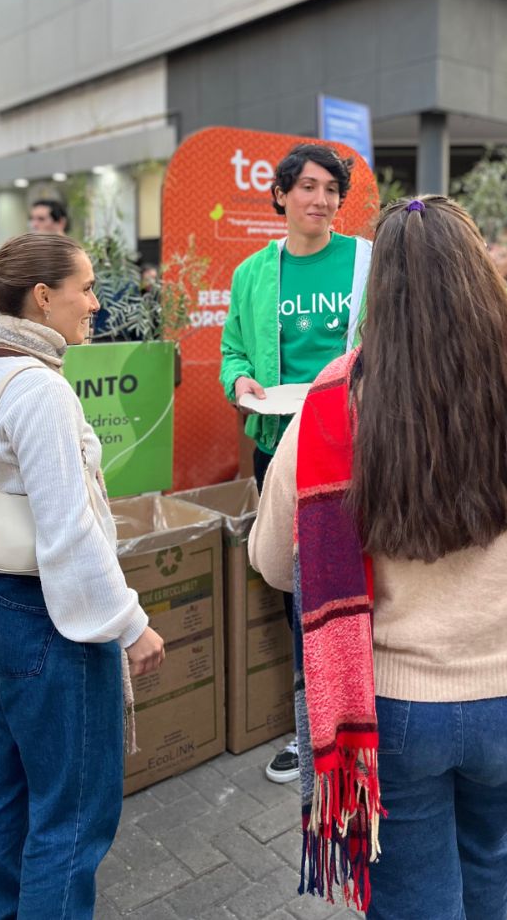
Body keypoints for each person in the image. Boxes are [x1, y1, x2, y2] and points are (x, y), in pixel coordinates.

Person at [249, 196, 507, 918]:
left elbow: (272, 562)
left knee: (415, 897)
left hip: (391, 712)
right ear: (483, 278)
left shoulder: (327, 409)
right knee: (488, 852)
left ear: (377, 290)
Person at [0, 232, 165, 919]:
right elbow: (69, 533)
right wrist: (130, 623)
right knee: (73, 814)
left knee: (4, 781)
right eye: (86, 287)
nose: (95, 302)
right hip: (47, 618)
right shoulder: (42, 391)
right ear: (43, 296)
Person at [220, 141, 372, 784]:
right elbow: (232, 350)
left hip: (358, 442)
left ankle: (369, 711)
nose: (322, 200)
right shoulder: (254, 272)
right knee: (296, 580)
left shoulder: (369, 261)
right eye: (308, 187)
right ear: (280, 195)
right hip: (279, 443)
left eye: (332, 189)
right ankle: (309, 722)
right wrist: (241, 383)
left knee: (365, 575)